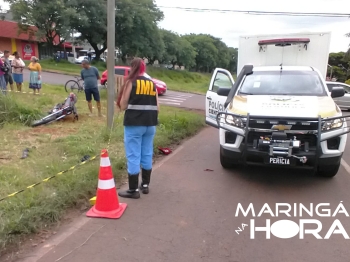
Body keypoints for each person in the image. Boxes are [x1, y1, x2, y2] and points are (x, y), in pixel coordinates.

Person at [117, 58, 160, 199]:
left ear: (133, 68)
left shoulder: (131, 82)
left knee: (133, 155)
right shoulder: (152, 83)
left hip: (134, 124)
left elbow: (123, 105)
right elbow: (157, 107)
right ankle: (145, 185)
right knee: (147, 153)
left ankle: (133, 190)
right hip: (150, 124)